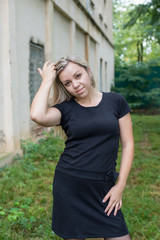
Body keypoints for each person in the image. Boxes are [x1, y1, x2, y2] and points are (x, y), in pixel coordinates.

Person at [30, 55, 134, 240]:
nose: (75, 84)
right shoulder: (65, 109)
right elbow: (37, 115)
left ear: (89, 72)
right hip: (70, 187)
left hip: (104, 189)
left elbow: (128, 145)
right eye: (68, 83)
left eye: (78, 76)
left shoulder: (115, 101)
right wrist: (47, 81)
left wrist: (120, 186)